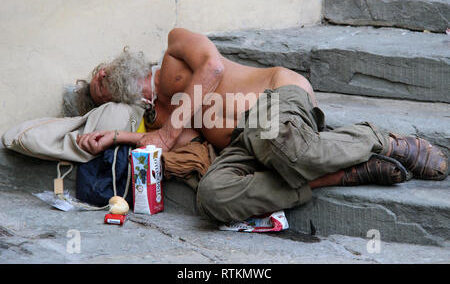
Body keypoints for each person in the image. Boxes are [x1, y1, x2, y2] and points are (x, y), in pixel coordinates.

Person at [76, 28, 449, 223]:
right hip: (246, 142)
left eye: (101, 75)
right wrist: (116, 136)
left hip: (273, 99)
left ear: (115, 63)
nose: (103, 80)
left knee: (275, 141)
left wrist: (167, 133)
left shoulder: (174, 45)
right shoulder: (156, 116)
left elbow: (214, 67)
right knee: (212, 197)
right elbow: (176, 141)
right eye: (100, 92)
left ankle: (377, 139)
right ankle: (347, 172)